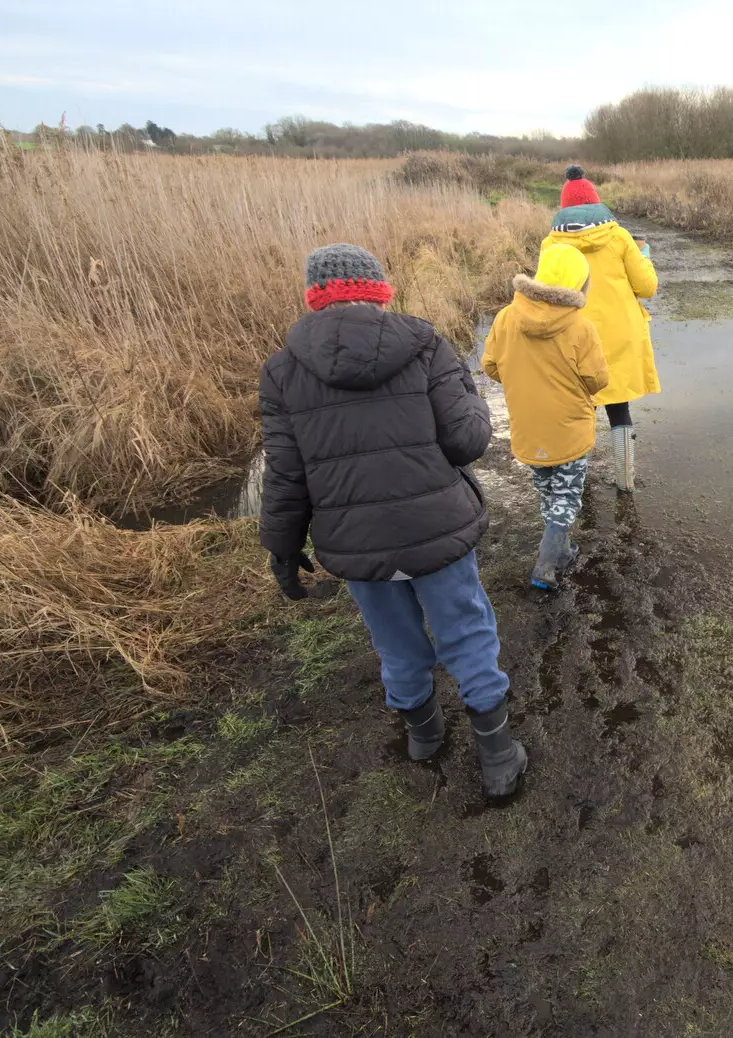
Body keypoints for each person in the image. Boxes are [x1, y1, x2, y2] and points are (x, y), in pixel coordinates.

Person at [259, 243, 527, 797]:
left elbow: (285, 474)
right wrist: (469, 395)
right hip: (436, 530)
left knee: (395, 643)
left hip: (357, 544)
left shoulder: (282, 370)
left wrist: (282, 549)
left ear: (314, 298)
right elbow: (469, 440)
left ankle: (424, 738)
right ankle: (498, 759)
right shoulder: (425, 345)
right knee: (467, 631)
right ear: (381, 290)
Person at [481, 243, 609, 590]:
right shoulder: (581, 328)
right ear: (580, 284)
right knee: (567, 497)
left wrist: (522, 380)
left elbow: (490, 365)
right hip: (569, 430)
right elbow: (598, 380)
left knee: (548, 493)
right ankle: (545, 566)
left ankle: (564, 552)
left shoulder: (506, 316)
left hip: (528, 429)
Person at [542, 164, 658, 493]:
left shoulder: (551, 244)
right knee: (619, 406)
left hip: (573, 335)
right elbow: (647, 287)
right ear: (597, 202)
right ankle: (625, 480)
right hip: (620, 333)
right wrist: (644, 254)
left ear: (563, 208)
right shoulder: (619, 237)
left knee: (580, 410)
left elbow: (547, 293)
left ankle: (579, 482)